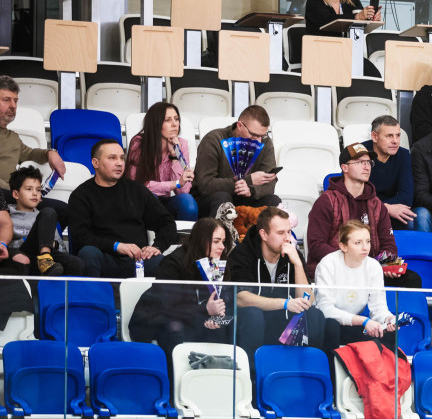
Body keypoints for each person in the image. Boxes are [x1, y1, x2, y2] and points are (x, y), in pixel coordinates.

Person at [129, 218, 257, 367]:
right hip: (160, 320)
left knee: (230, 325)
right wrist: (205, 310)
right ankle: (177, 384)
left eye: (223, 241)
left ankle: (228, 377)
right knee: (176, 328)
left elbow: (224, 298)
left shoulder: (219, 262)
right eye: (216, 241)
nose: (221, 246)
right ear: (201, 240)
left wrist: (218, 316)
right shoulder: (173, 263)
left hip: (196, 319)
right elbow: (167, 308)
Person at [306, 143, 420, 289]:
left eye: (368, 162)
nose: (366, 167)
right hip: (337, 271)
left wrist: (387, 263)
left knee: (411, 279)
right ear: (344, 167)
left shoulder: (377, 204)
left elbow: (388, 244)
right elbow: (316, 245)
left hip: (369, 270)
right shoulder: (326, 202)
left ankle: (401, 313)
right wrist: (350, 261)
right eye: (360, 162)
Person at [68, 140, 176, 278]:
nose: (119, 163)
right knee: (88, 253)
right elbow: (81, 236)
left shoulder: (137, 190)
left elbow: (167, 223)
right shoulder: (81, 195)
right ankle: (95, 299)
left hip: (138, 260)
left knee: (164, 264)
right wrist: (117, 246)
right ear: (96, 163)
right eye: (112, 158)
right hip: (104, 258)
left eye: (121, 158)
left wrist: (157, 247)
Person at [228, 206, 325, 355]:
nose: (287, 237)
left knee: (315, 315)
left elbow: (308, 300)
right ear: (263, 234)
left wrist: (298, 264)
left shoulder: (293, 254)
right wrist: (285, 303)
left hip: (283, 323)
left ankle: (305, 371)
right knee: (252, 315)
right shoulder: (243, 254)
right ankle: (252, 374)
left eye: (288, 231)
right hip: (254, 321)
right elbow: (241, 298)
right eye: (280, 233)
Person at [315, 220, 397, 350]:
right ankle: (330, 369)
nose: (365, 247)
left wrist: (388, 319)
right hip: (328, 324)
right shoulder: (327, 264)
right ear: (343, 246)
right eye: (358, 243)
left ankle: (381, 370)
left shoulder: (374, 266)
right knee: (331, 327)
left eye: (368, 241)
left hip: (354, 323)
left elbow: (378, 307)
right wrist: (363, 321)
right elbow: (325, 309)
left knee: (388, 332)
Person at [193, 105, 280, 217]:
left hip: (245, 198)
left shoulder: (265, 143)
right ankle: (221, 234)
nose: (258, 141)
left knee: (273, 201)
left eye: (262, 136)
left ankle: (262, 234)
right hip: (211, 199)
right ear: (240, 126)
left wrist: (251, 190)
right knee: (223, 199)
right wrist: (249, 180)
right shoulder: (214, 139)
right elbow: (205, 186)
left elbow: (269, 184)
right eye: (254, 135)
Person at [0, 76, 67, 217]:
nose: (13, 106)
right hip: (6, 194)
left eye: (15, 101)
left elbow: (30, 154)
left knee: (63, 210)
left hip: (11, 197)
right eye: (6, 100)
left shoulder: (13, 138)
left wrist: (50, 153)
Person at [126, 101, 198, 222]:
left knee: (188, 202)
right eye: (168, 120)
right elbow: (137, 185)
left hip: (167, 201)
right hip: (144, 200)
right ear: (156, 123)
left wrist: (175, 157)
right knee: (151, 199)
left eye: (176, 119)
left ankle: (183, 240)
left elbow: (183, 191)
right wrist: (175, 183)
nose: (175, 124)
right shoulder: (139, 143)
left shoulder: (182, 144)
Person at [8, 166, 84, 276]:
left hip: (47, 257)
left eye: (38, 190)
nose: (35, 193)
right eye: (29, 189)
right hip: (22, 255)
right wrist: (30, 240)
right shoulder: (7, 216)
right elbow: (6, 247)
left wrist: (52, 244)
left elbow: (62, 250)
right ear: (16, 194)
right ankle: (44, 260)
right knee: (49, 212)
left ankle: (61, 289)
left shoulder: (46, 218)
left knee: (77, 263)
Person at [364, 115, 416, 230]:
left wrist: (384, 207)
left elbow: (406, 198)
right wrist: (385, 208)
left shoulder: (403, 155)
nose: (395, 141)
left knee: (411, 219)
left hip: (393, 212)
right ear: (374, 136)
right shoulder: (360, 154)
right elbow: (355, 199)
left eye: (398, 135)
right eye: (389, 136)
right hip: (364, 214)